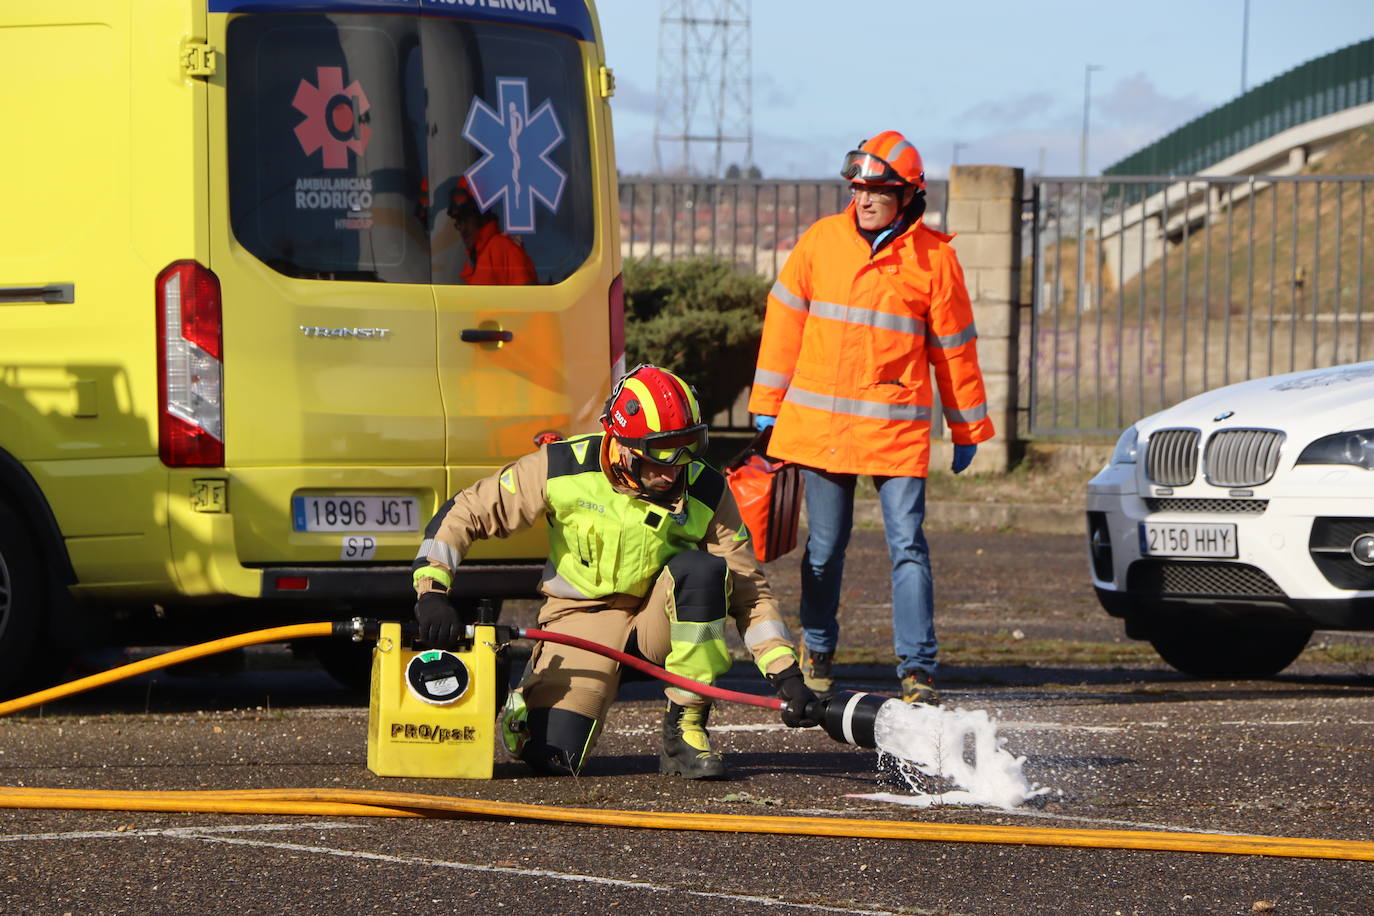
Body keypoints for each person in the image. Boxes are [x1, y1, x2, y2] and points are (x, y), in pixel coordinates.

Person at [410, 364, 818, 779]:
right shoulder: (562, 467)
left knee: (704, 571)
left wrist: (785, 674)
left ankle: (686, 731)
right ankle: (535, 704)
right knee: (554, 759)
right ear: (621, 444)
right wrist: (432, 592)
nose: (672, 471)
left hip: (659, 624)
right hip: (581, 625)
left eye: (685, 450)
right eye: (660, 455)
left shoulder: (706, 489)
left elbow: (751, 593)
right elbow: (465, 512)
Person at [747, 130, 995, 707]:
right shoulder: (822, 242)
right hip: (822, 432)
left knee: (908, 545)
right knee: (824, 549)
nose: (863, 199)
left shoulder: (936, 260)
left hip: (895, 432)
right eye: (858, 188)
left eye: (878, 191)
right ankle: (817, 650)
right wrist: (765, 406)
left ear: (907, 196)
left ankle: (917, 669)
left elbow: (955, 350)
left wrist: (967, 428)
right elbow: (783, 325)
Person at [447, 178, 537, 285]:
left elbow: (527, 299)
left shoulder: (502, 249)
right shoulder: (476, 262)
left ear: (482, 217)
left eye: (466, 220)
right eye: (459, 222)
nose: (463, 230)